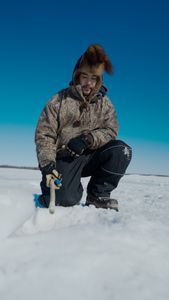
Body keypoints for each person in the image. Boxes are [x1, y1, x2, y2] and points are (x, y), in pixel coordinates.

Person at [35, 44, 132, 210]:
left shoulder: (105, 104)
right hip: (65, 158)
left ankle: (98, 195)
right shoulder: (59, 100)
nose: (89, 83)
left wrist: (87, 139)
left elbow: (110, 130)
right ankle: (57, 187)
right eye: (84, 77)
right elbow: (45, 134)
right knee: (64, 199)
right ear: (77, 76)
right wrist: (47, 165)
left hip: (91, 156)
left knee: (121, 150)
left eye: (94, 78)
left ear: (99, 80)